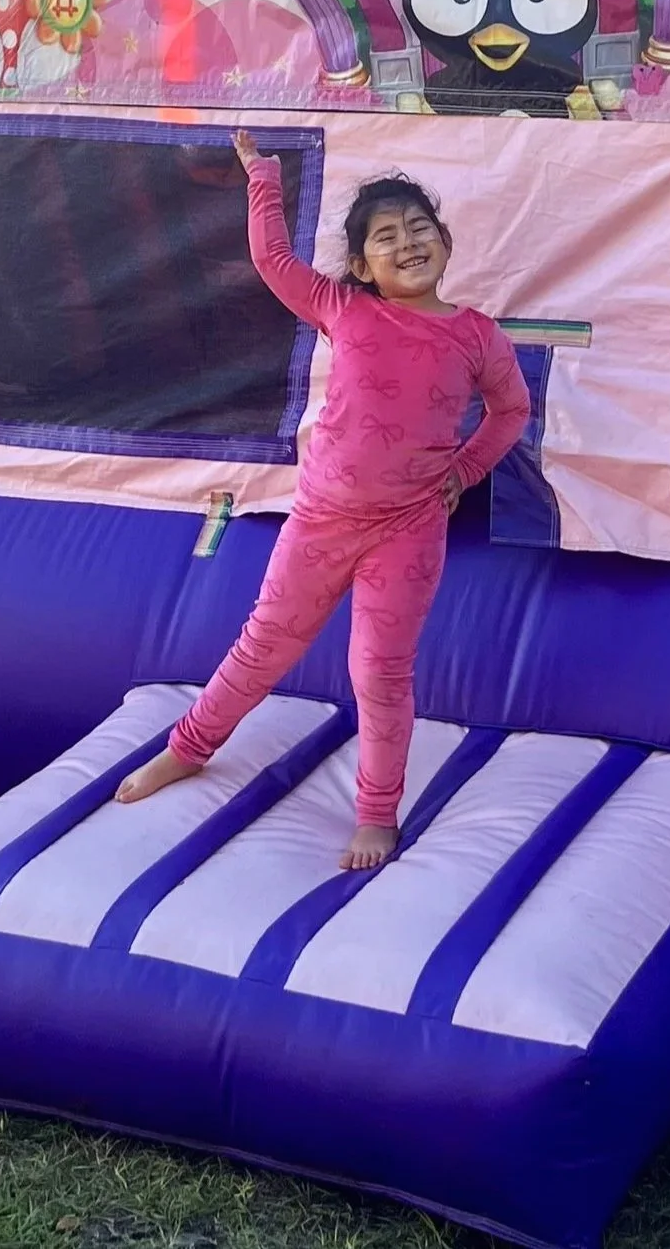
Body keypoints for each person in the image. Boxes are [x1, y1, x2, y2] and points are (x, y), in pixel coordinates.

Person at [116, 130, 531, 869]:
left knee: (378, 671)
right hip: (321, 520)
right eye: (385, 236)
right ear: (362, 266)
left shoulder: (476, 335)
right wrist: (262, 177)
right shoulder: (346, 309)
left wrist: (465, 472)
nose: (407, 242)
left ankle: (376, 813)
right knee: (263, 645)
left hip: (408, 527)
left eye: (419, 228)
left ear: (444, 241)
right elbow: (273, 260)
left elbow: (512, 412)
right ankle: (190, 748)